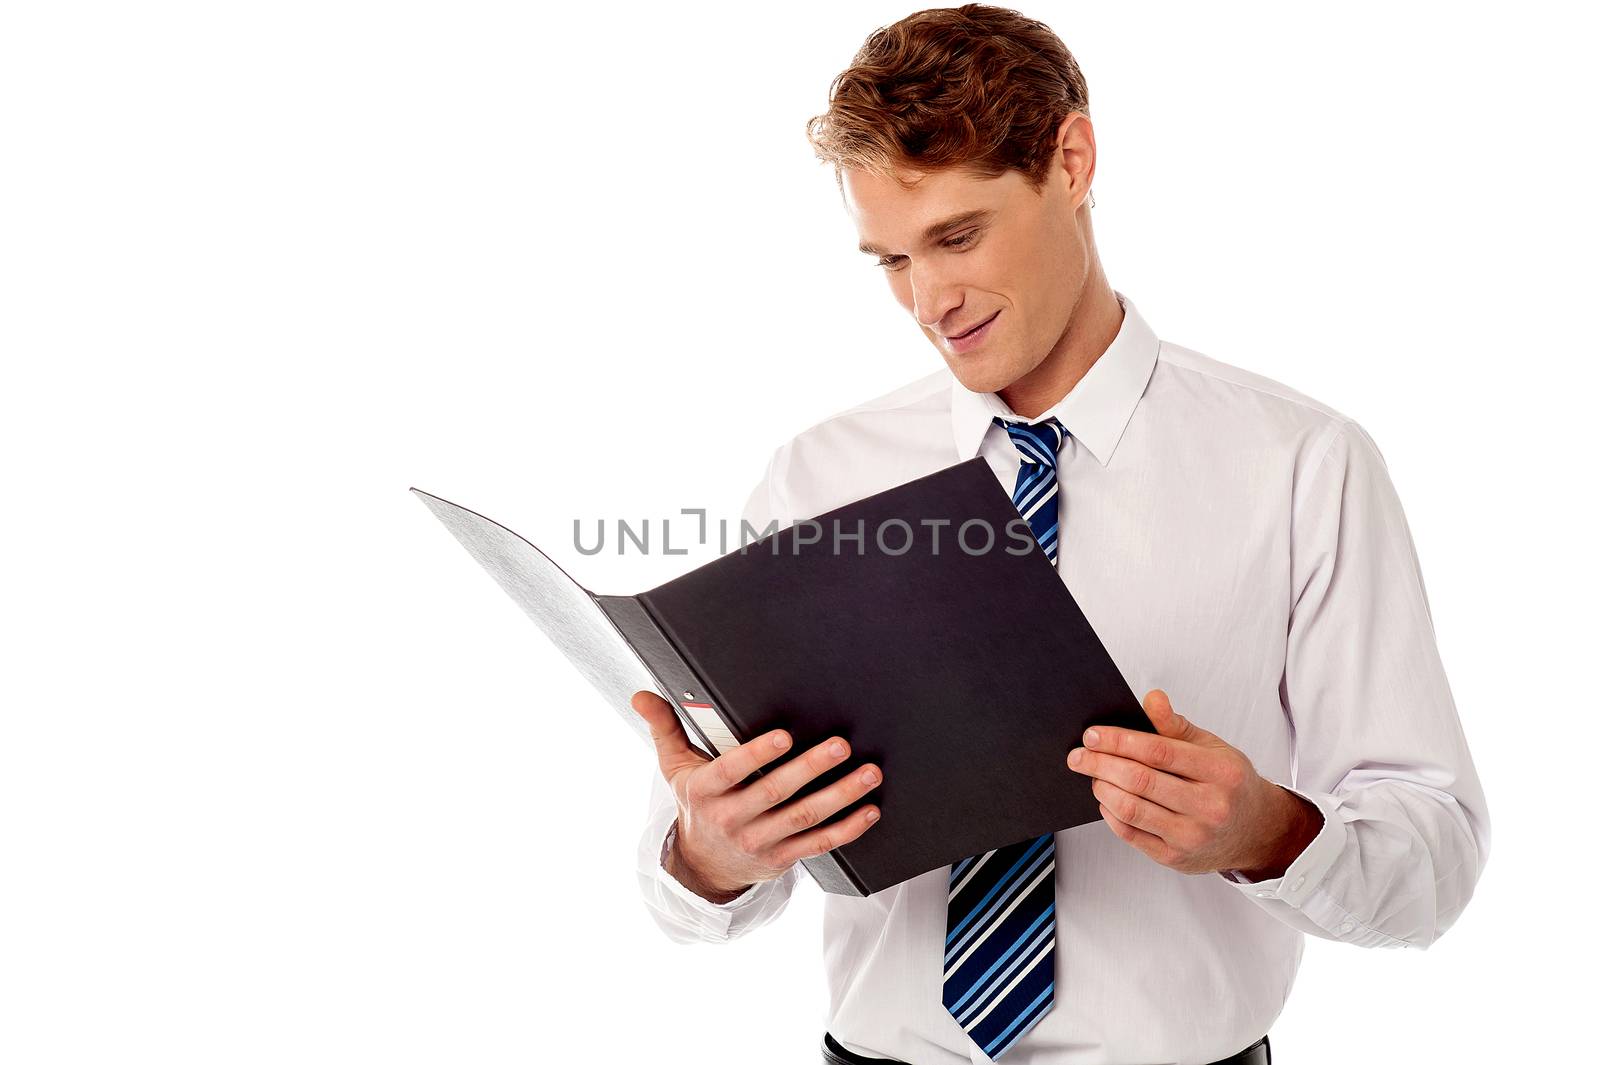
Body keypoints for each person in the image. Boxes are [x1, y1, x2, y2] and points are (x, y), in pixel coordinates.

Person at [629, 5, 1491, 1063]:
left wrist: (1268, 834)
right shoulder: (819, 475)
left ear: (1071, 161)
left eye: (958, 235)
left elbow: (1433, 862)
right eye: (890, 261)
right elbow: (701, 895)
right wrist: (709, 851)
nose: (929, 301)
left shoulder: (1301, 466)